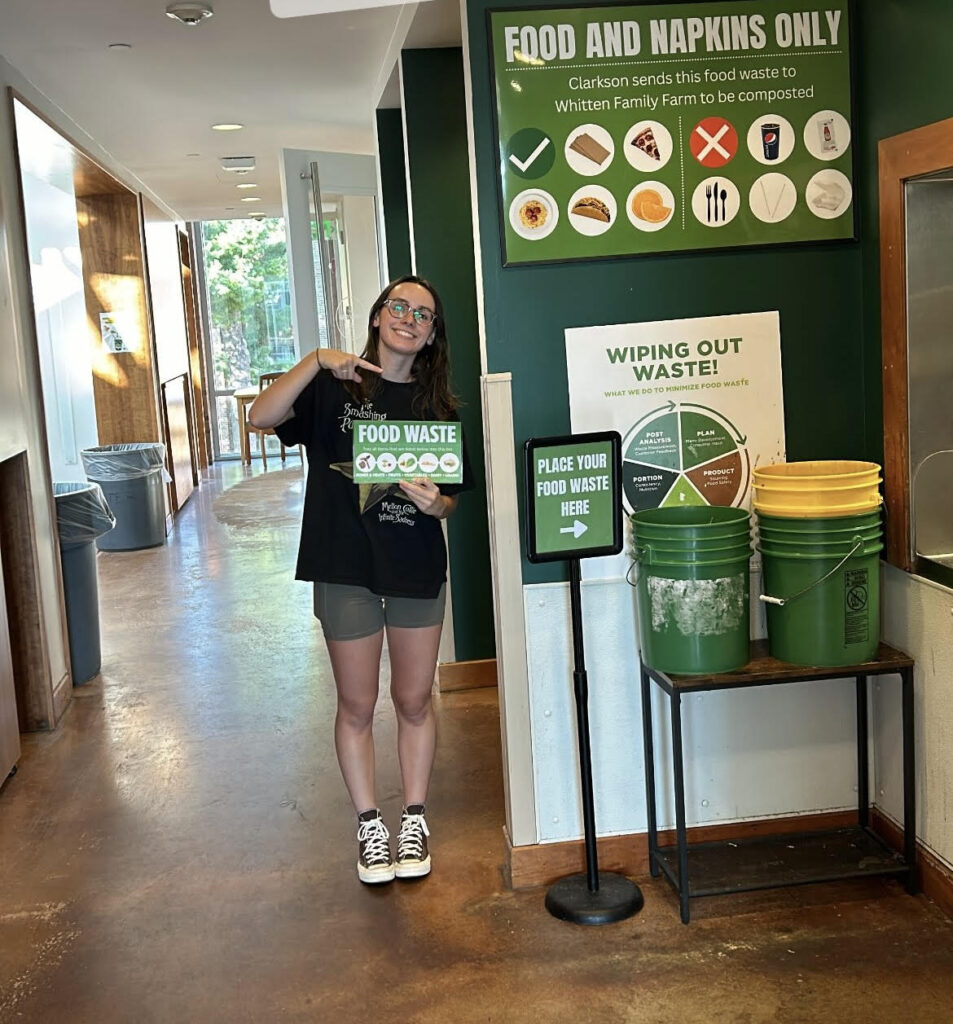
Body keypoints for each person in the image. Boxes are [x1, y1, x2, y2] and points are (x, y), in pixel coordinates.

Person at [248, 275, 471, 885]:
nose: (409, 318)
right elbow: (259, 416)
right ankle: (371, 824)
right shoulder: (332, 387)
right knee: (355, 703)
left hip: (415, 568)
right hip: (344, 566)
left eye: (422, 314)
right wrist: (319, 358)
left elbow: (451, 500)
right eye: (398, 306)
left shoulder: (439, 409)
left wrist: (437, 507)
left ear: (430, 337)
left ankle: (414, 818)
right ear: (377, 317)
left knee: (414, 700)